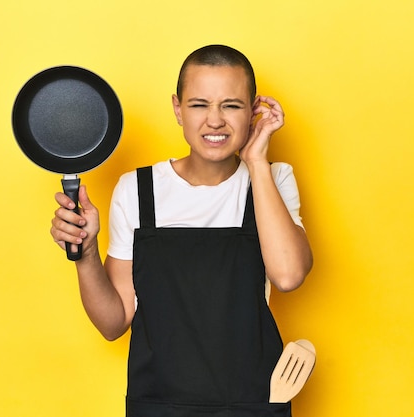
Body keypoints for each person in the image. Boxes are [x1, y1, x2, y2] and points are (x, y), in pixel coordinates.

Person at [50, 44, 313, 417]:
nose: (215, 120)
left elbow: (288, 275)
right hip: (158, 407)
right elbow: (113, 323)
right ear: (178, 108)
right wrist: (87, 254)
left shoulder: (273, 179)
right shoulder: (136, 190)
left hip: (252, 404)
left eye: (232, 105)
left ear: (254, 111)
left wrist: (256, 161)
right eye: (199, 104)